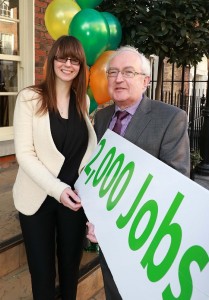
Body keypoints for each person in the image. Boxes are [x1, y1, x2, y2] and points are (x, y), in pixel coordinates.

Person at [86, 45, 190, 299]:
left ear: (145, 81)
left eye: (128, 72)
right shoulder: (102, 117)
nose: (118, 79)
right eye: (113, 72)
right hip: (106, 241)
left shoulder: (170, 118)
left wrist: (114, 225)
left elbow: (174, 184)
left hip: (143, 241)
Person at [13, 35, 97, 300]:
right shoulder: (29, 98)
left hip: (73, 200)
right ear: (52, 60)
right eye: (62, 57)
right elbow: (24, 155)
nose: (68, 64)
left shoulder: (82, 100)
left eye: (74, 59)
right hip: (38, 199)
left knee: (71, 270)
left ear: (81, 66)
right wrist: (57, 189)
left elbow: (85, 153)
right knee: (42, 275)